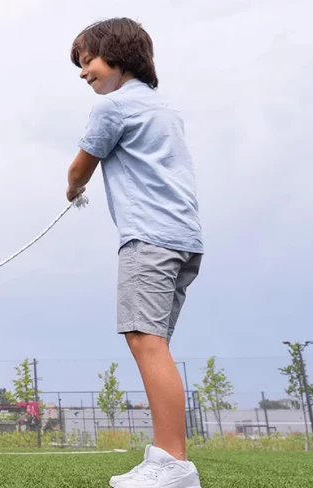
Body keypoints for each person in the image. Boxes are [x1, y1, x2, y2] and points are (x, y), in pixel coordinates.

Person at [65, 17, 203, 488]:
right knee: (154, 342)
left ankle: (172, 463)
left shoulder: (112, 107)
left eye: (88, 61)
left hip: (149, 239)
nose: (83, 72)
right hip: (184, 240)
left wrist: (72, 190)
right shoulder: (164, 108)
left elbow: (80, 167)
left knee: (146, 341)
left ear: (118, 56)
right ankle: (169, 460)